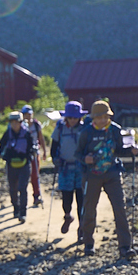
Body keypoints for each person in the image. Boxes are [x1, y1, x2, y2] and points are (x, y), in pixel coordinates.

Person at [76, 101, 138, 257]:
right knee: (89, 210)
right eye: (99, 117)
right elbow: (77, 154)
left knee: (120, 209)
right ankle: (88, 243)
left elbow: (118, 150)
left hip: (112, 173)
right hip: (91, 176)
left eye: (106, 116)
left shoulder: (115, 130)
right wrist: (85, 159)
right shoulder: (86, 132)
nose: (103, 120)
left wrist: (131, 151)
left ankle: (125, 246)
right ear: (94, 118)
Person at [50, 101, 87, 239]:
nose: (72, 120)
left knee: (81, 199)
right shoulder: (60, 128)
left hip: (80, 168)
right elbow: (54, 148)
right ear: (66, 117)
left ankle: (82, 227)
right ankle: (67, 216)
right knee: (66, 198)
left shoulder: (85, 129)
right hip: (65, 167)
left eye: (75, 117)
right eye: (70, 117)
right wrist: (55, 159)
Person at [0, 111, 34, 223]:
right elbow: (1, 147)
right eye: (12, 122)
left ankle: (23, 212)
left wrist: (30, 154)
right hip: (11, 165)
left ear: (21, 122)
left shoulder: (27, 134)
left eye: (16, 122)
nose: (14, 124)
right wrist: (4, 157)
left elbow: (31, 148)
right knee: (12, 188)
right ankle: (16, 208)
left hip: (24, 164)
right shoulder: (7, 134)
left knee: (22, 188)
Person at [21, 104, 47, 206]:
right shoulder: (21, 125)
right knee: (22, 175)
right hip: (23, 153)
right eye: (25, 114)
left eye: (29, 114)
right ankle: (21, 197)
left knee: (35, 175)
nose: (27, 116)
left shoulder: (36, 125)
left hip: (35, 152)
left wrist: (44, 151)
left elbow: (41, 138)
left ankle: (36, 196)